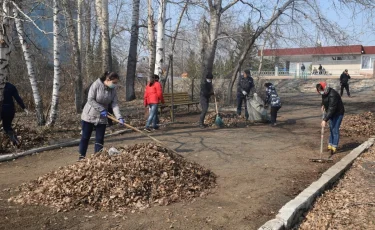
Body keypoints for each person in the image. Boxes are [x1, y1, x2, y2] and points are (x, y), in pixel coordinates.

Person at [78, 72, 124, 160]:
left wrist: (119, 117)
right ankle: (81, 157)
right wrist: (101, 109)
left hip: (102, 117)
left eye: (116, 83)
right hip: (89, 115)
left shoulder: (113, 90)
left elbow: (114, 104)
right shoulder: (96, 85)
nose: (115, 85)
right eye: (114, 82)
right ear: (108, 80)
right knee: (85, 137)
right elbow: (90, 99)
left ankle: (97, 158)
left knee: (99, 139)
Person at [316, 81, 345, 155]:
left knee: (335, 129)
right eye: (319, 92)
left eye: (321, 91)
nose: (320, 93)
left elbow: (332, 108)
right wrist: (322, 105)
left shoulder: (333, 94)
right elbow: (324, 100)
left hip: (338, 113)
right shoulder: (324, 93)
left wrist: (325, 120)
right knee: (331, 128)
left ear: (324, 88)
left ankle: (334, 147)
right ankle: (330, 144)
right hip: (331, 113)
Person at [1, 81, 29, 146]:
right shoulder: (11, 86)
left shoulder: (10, 87)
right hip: (10, 109)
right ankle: (15, 141)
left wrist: (24, 108)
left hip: (5, 109)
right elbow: (17, 98)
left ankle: (14, 142)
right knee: (7, 127)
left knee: (6, 127)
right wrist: (24, 108)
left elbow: (17, 98)